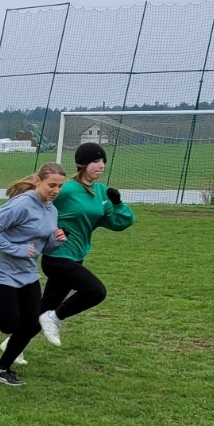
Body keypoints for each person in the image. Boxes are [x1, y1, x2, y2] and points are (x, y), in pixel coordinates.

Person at [0, 164, 69, 386]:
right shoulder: (22, 204)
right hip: (1, 271)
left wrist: (56, 241)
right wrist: (17, 249)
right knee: (9, 325)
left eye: (60, 186)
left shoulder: (51, 210)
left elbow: (42, 248)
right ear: (38, 181)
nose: (56, 190)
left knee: (32, 323)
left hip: (27, 272)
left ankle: (1, 370)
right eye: (52, 185)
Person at [38, 142, 136, 347]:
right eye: (96, 161)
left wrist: (118, 204)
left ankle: (13, 344)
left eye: (103, 161)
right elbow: (38, 207)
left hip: (77, 257)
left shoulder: (102, 192)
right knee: (95, 291)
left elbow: (120, 223)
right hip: (57, 256)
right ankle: (54, 318)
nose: (101, 165)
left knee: (43, 309)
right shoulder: (66, 189)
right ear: (82, 164)